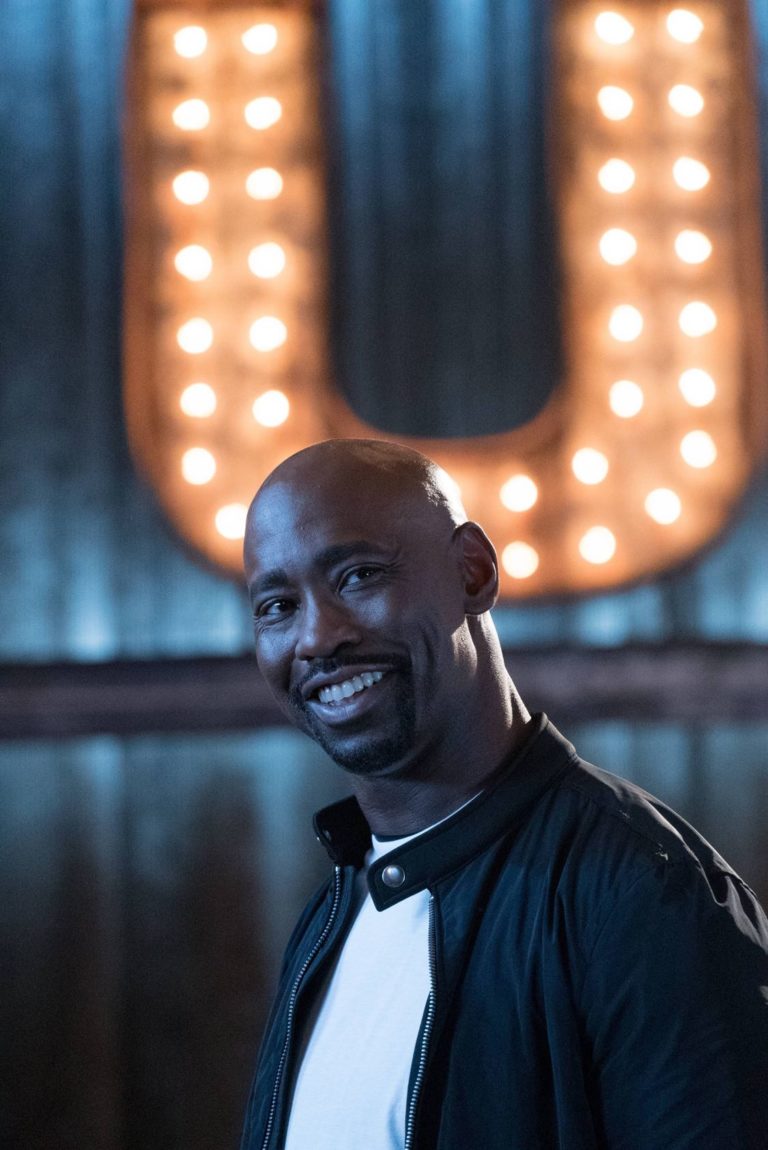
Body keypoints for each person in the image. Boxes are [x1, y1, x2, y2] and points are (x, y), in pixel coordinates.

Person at [240, 438, 768, 1150]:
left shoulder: (644, 891)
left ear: (474, 572)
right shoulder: (332, 914)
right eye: (277, 605)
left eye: (359, 575)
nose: (317, 637)